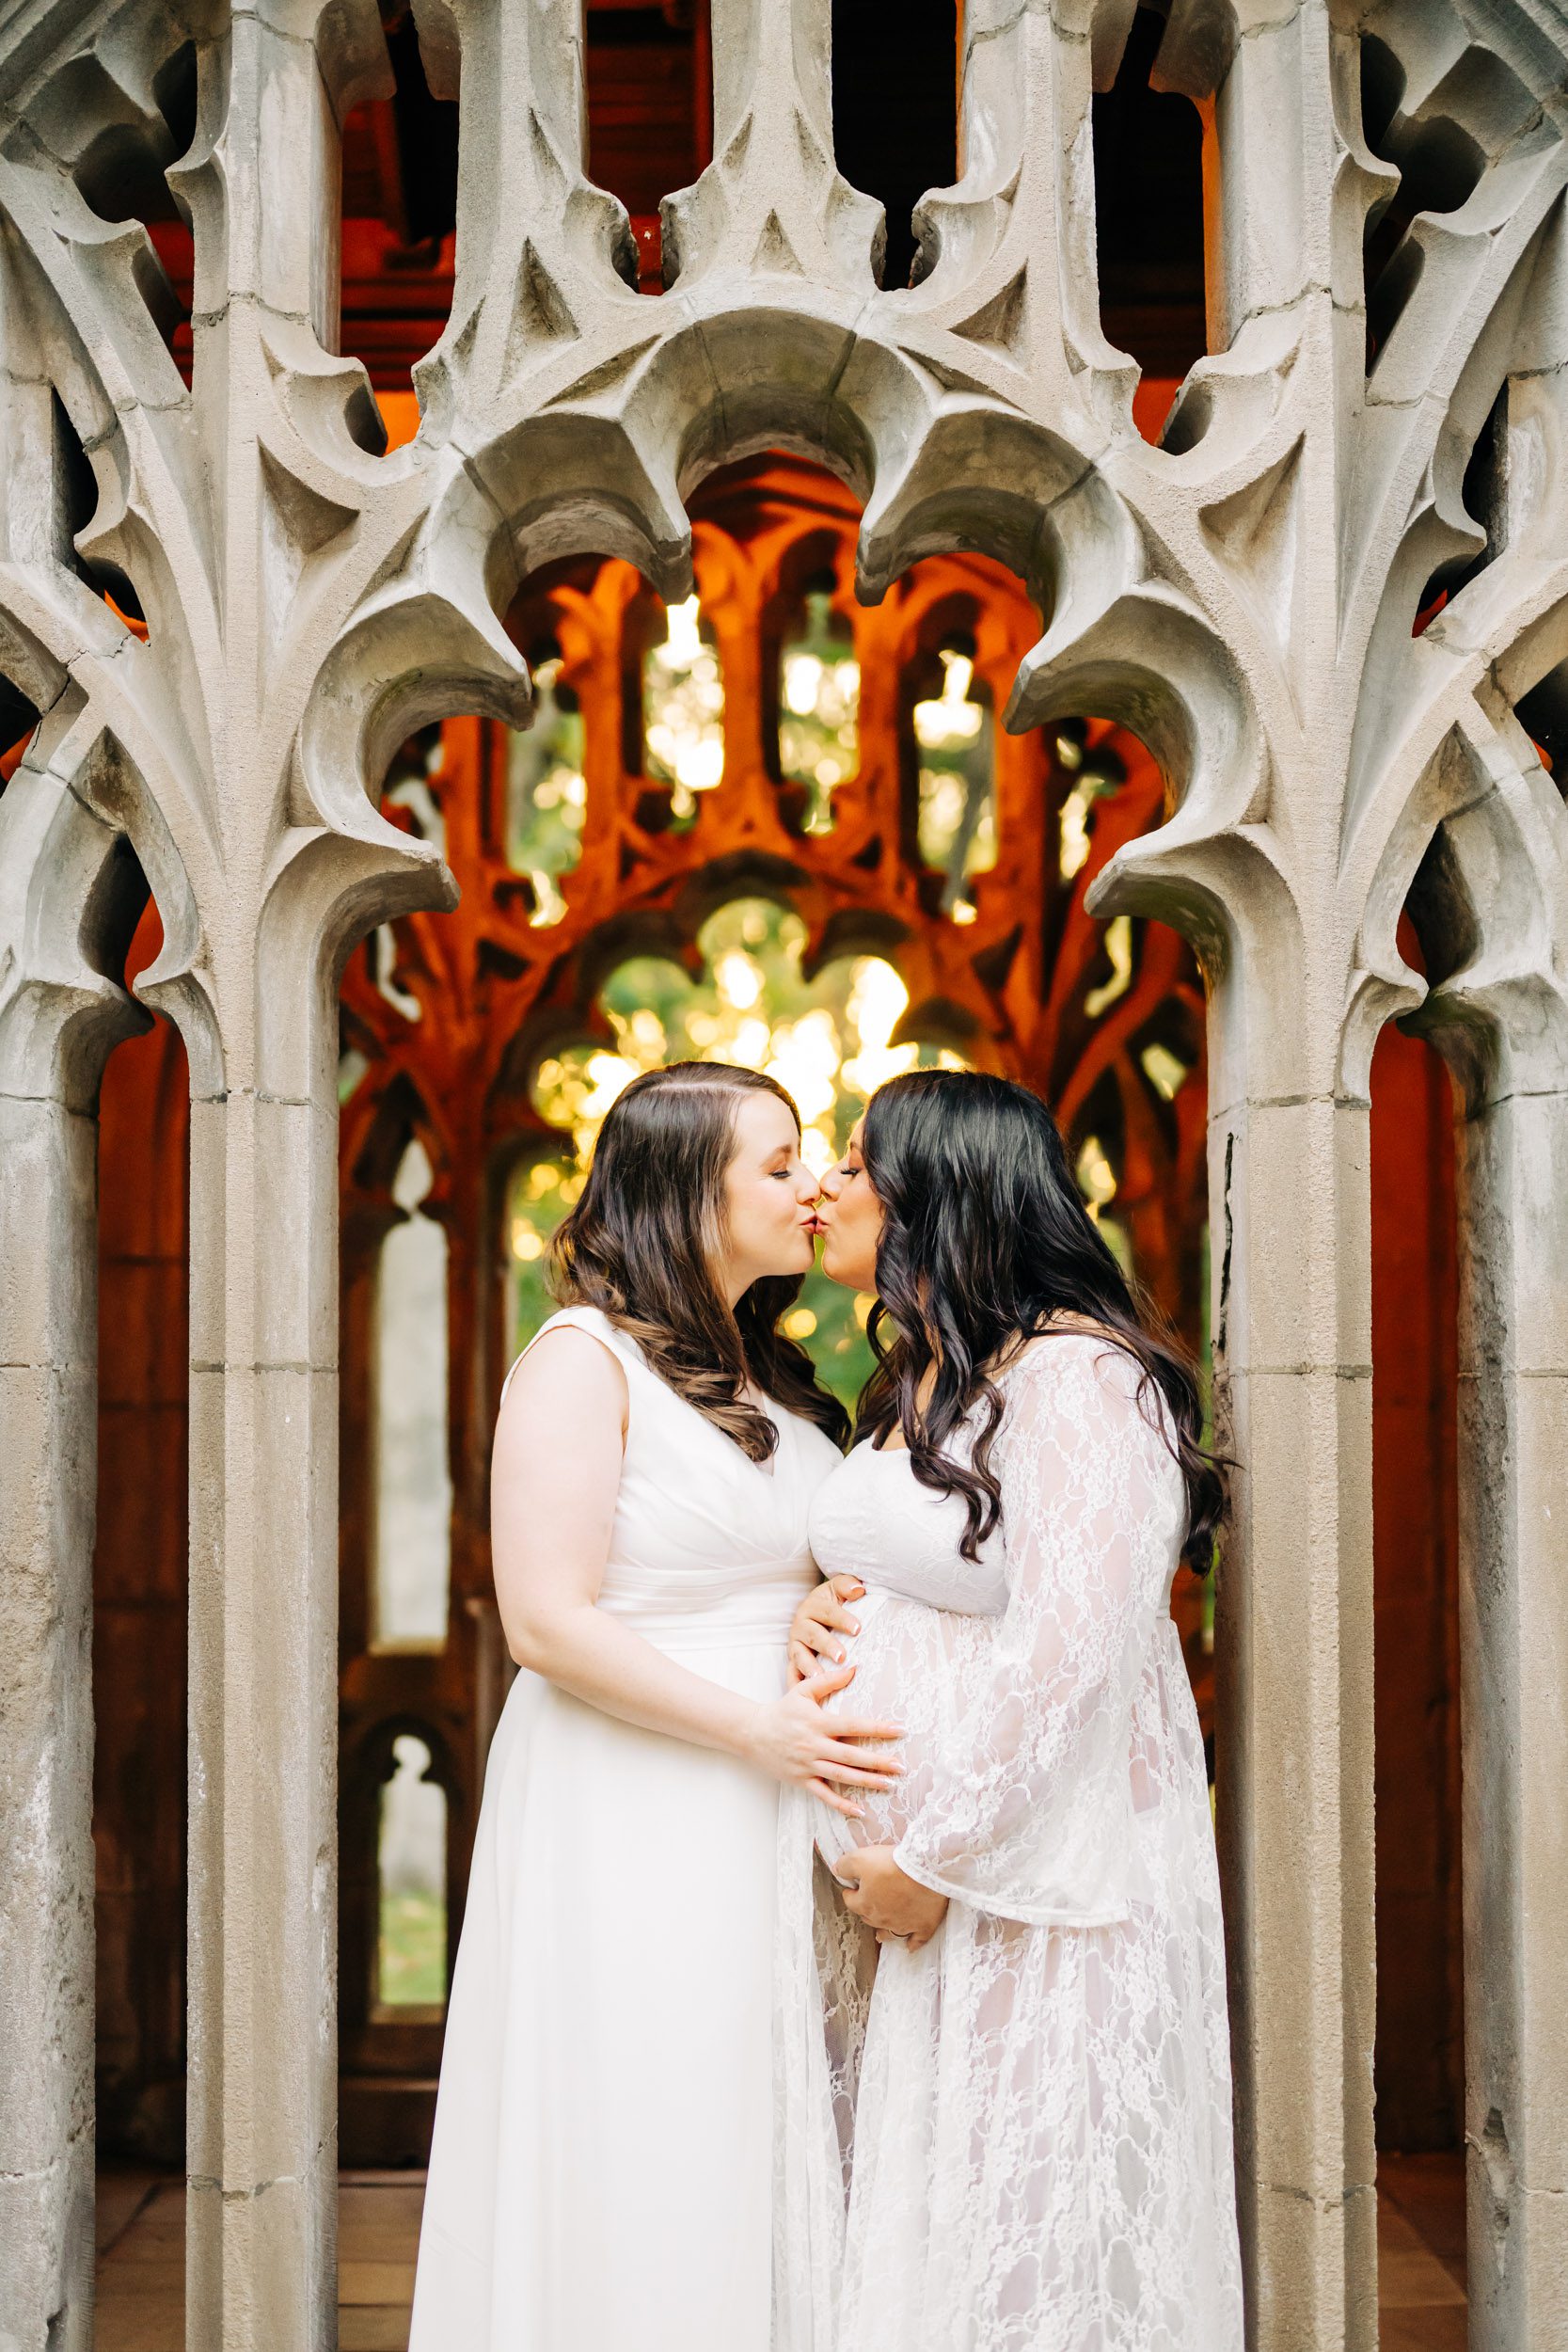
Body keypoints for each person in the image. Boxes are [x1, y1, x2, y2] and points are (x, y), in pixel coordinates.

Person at [408, 1062, 904, 2352]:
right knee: (648, 2107)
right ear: (688, 1192)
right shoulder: (581, 1360)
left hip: (771, 1798)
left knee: (759, 2120)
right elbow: (547, 1621)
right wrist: (757, 1730)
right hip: (631, 1798)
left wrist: (807, 1624)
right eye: (780, 1163)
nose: (813, 1190)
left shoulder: (778, 1379)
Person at [776, 1069, 1243, 2352]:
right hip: (938, 1910)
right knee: (939, 2237)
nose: (826, 1184)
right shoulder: (935, 1373)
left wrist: (934, 1858)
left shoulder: (1088, 1384)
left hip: (1041, 1900)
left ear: (937, 1194)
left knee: (1037, 2240)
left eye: (856, 1164)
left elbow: (1074, 1657)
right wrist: (813, 1617)